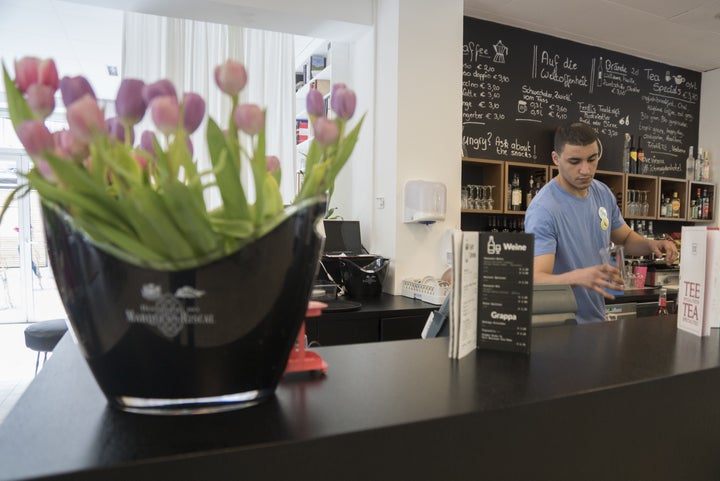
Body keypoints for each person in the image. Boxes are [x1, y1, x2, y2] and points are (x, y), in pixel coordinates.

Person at [524, 122, 678, 323]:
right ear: (556, 159)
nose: (585, 170)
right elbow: (536, 279)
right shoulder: (544, 209)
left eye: (592, 159)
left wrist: (652, 245)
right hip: (560, 326)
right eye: (574, 161)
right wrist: (577, 277)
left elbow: (625, 237)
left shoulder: (602, 192)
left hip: (596, 321)